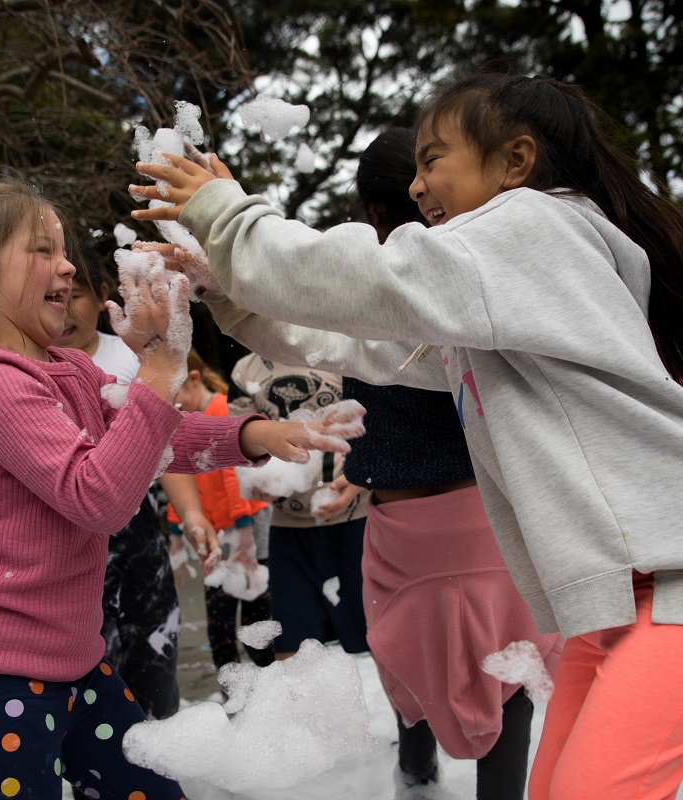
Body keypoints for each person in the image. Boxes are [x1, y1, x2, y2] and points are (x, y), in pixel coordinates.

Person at [130, 72, 683, 798]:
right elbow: (360, 340)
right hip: (621, 591)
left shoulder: (540, 226)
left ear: (515, 161)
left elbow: (372, 280)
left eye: (434, 158)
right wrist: (230, 285)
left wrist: (228, 217)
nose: (417, 186)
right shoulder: (496, 306)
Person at [0, 178, 364, 800]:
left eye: (63, 250)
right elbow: (99, 496)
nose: (66, 266)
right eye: (42, 251)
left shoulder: (68, 369)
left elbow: (154, 438)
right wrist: (161, 370)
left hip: (79, 663)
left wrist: (260, 434)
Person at [342, 127, 560, 799]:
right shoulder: (481, 281)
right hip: (489, 519)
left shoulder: (359, 291)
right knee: (513, 671)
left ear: (372, 215)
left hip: (405, 532)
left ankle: (416, 786)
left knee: (411, 681)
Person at [56, 247, 213, 720]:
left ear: (104, 295)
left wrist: (191, 513)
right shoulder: (31, 367)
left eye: (76, 295)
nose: (64, 310)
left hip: (137, 527)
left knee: (154, 643)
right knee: (94, 665)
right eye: (51, 296)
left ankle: (161, 745)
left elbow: (167, 446)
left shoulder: (132, 355)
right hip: (70, 533)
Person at [227, 354, 370, 663]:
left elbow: (378, 421)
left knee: (382, 646)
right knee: (291, 656)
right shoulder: (245, 368)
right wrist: (258, 481)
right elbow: (238, 439)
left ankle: (411, 715)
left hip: (357, 519)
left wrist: (361, 479)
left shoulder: (337, 346)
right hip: (289, 528)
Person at [166, 349, 274, 673]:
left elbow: (234, 476)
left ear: (194, 379)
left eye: (174, 395)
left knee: (257, 619)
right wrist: (175, 532)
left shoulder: (223, 409)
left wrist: (244, 534)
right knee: (221, 627)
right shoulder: (183, 421)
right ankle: (236, 697)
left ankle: (270, 689)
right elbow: (175, 472)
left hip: (246, 530)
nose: (171, 405)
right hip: (218, 533)